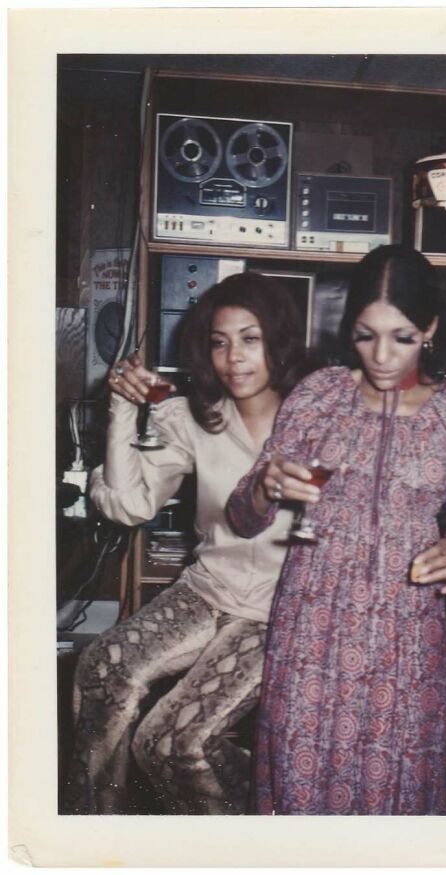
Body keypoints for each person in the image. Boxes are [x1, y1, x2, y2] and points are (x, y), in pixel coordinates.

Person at [226, 244, 446, 815]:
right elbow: (242, 517)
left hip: (407, 634)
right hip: (312, 629)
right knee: (300, 783)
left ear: (431, 330)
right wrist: (265, 484)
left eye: (402, 337)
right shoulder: (318, 397)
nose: (382, 355)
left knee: (396, 790)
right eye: (366, 335)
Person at [63, 272, 307, 814]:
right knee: (102, 669)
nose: (234, 357)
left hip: (277, 613)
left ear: (278, 341)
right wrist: (123, 408)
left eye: (250, 338)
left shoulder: (315, 419)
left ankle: (253, 829)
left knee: (172, 745)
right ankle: (92, 833)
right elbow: (130, 504)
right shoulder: (197, 417)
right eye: (219, 342)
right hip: (206, 592)